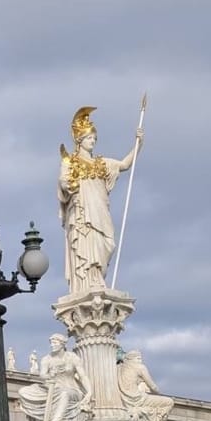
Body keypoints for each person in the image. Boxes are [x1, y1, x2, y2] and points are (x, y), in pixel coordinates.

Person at [58, 105, 143, 297]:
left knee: (108, 243)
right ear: (79, 140)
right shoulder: (70, 163)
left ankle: (98, 279)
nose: (92, 142)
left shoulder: (101, 163)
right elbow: (63, 181)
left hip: (100, 210)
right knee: (86, 246)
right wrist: (68, 185)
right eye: (89, 138)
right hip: (82, 213)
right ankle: (87, 283)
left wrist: (138, 144)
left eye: (94, 138)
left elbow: (124, 165)